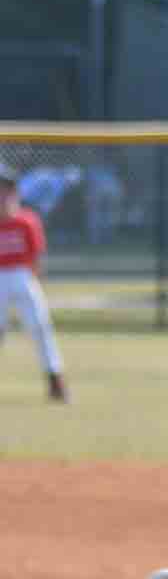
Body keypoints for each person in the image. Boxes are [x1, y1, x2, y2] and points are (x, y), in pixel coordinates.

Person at [0, 167, 68, 404]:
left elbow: (37, 258)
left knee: (40, 326)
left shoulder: (27, 220)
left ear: (15, 193)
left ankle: (54, 380)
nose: (2, 195)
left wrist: (38, 282)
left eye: (6, 189)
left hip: (22, 276)